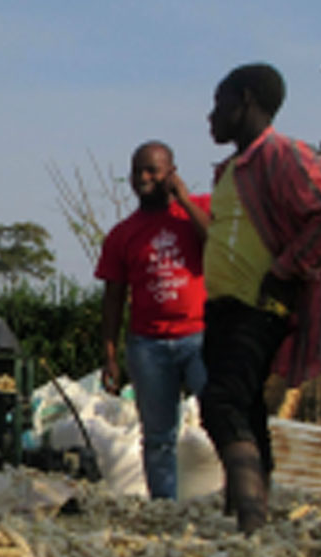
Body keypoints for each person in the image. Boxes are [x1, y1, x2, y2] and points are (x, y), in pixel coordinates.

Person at [199, 63, 321, 534]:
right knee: (246, 403)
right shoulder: (234, 169)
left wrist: (287, 269)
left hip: (258, 306)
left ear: (245, 100)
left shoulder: (280, 154)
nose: (211, 117)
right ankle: (248, 512)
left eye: (219, 104)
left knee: (221, 402)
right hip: (224, 307)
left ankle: (251, 519)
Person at [95, 141, 210, 500]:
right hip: (148, 345)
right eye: (137, 171)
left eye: (152, 171)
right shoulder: (122, 234)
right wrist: (110, 353)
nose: (143, 178)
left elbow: (218, 243)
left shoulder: (198, 211)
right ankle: (166, 509)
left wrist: (185, 199)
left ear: (170, 173)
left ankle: (232, 499)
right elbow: (113, 298)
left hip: (200, 336)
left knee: (221, 419)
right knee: (158, 436)